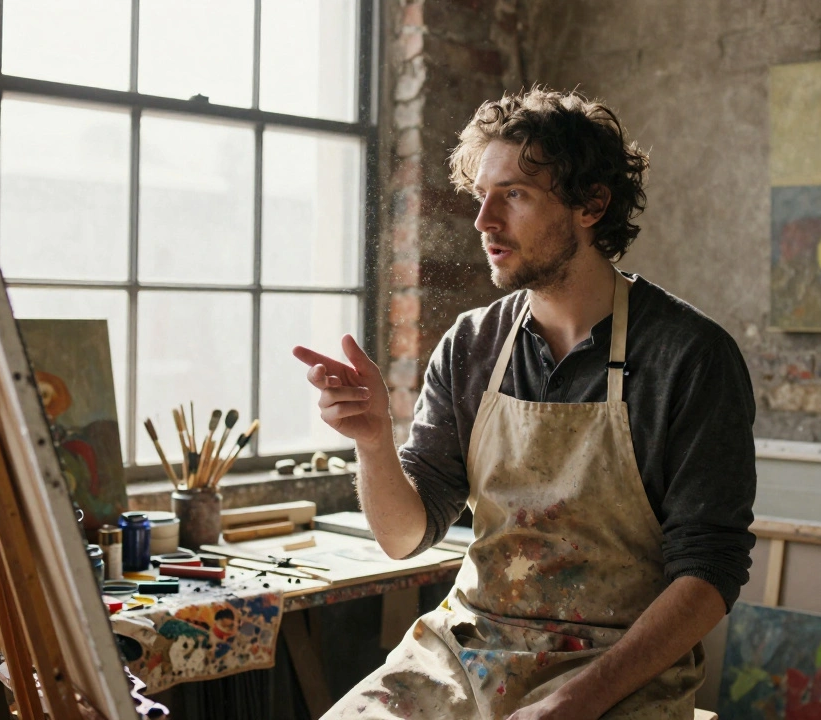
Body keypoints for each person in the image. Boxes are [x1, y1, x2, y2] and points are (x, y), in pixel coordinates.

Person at [293, 87, 756, 719]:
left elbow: (708, 574)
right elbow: (404, 538)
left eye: (514, 194)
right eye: (481, 195)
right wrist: (374, 441)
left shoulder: (690, 356)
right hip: (468, 650)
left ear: (592, 205)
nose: (483, 220)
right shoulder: (473, 345)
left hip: (616, 670)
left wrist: (572, 702)